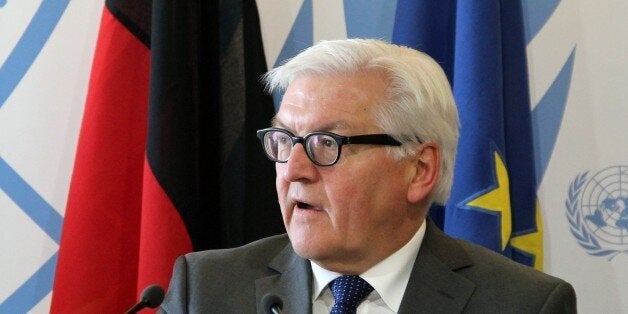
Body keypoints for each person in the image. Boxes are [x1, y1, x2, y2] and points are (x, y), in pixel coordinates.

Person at [160, 39, 576, 313]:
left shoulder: (523, 304)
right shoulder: (205, 290)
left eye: (327, 143)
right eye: (285, 139)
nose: (294, 171)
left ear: (419, 169)